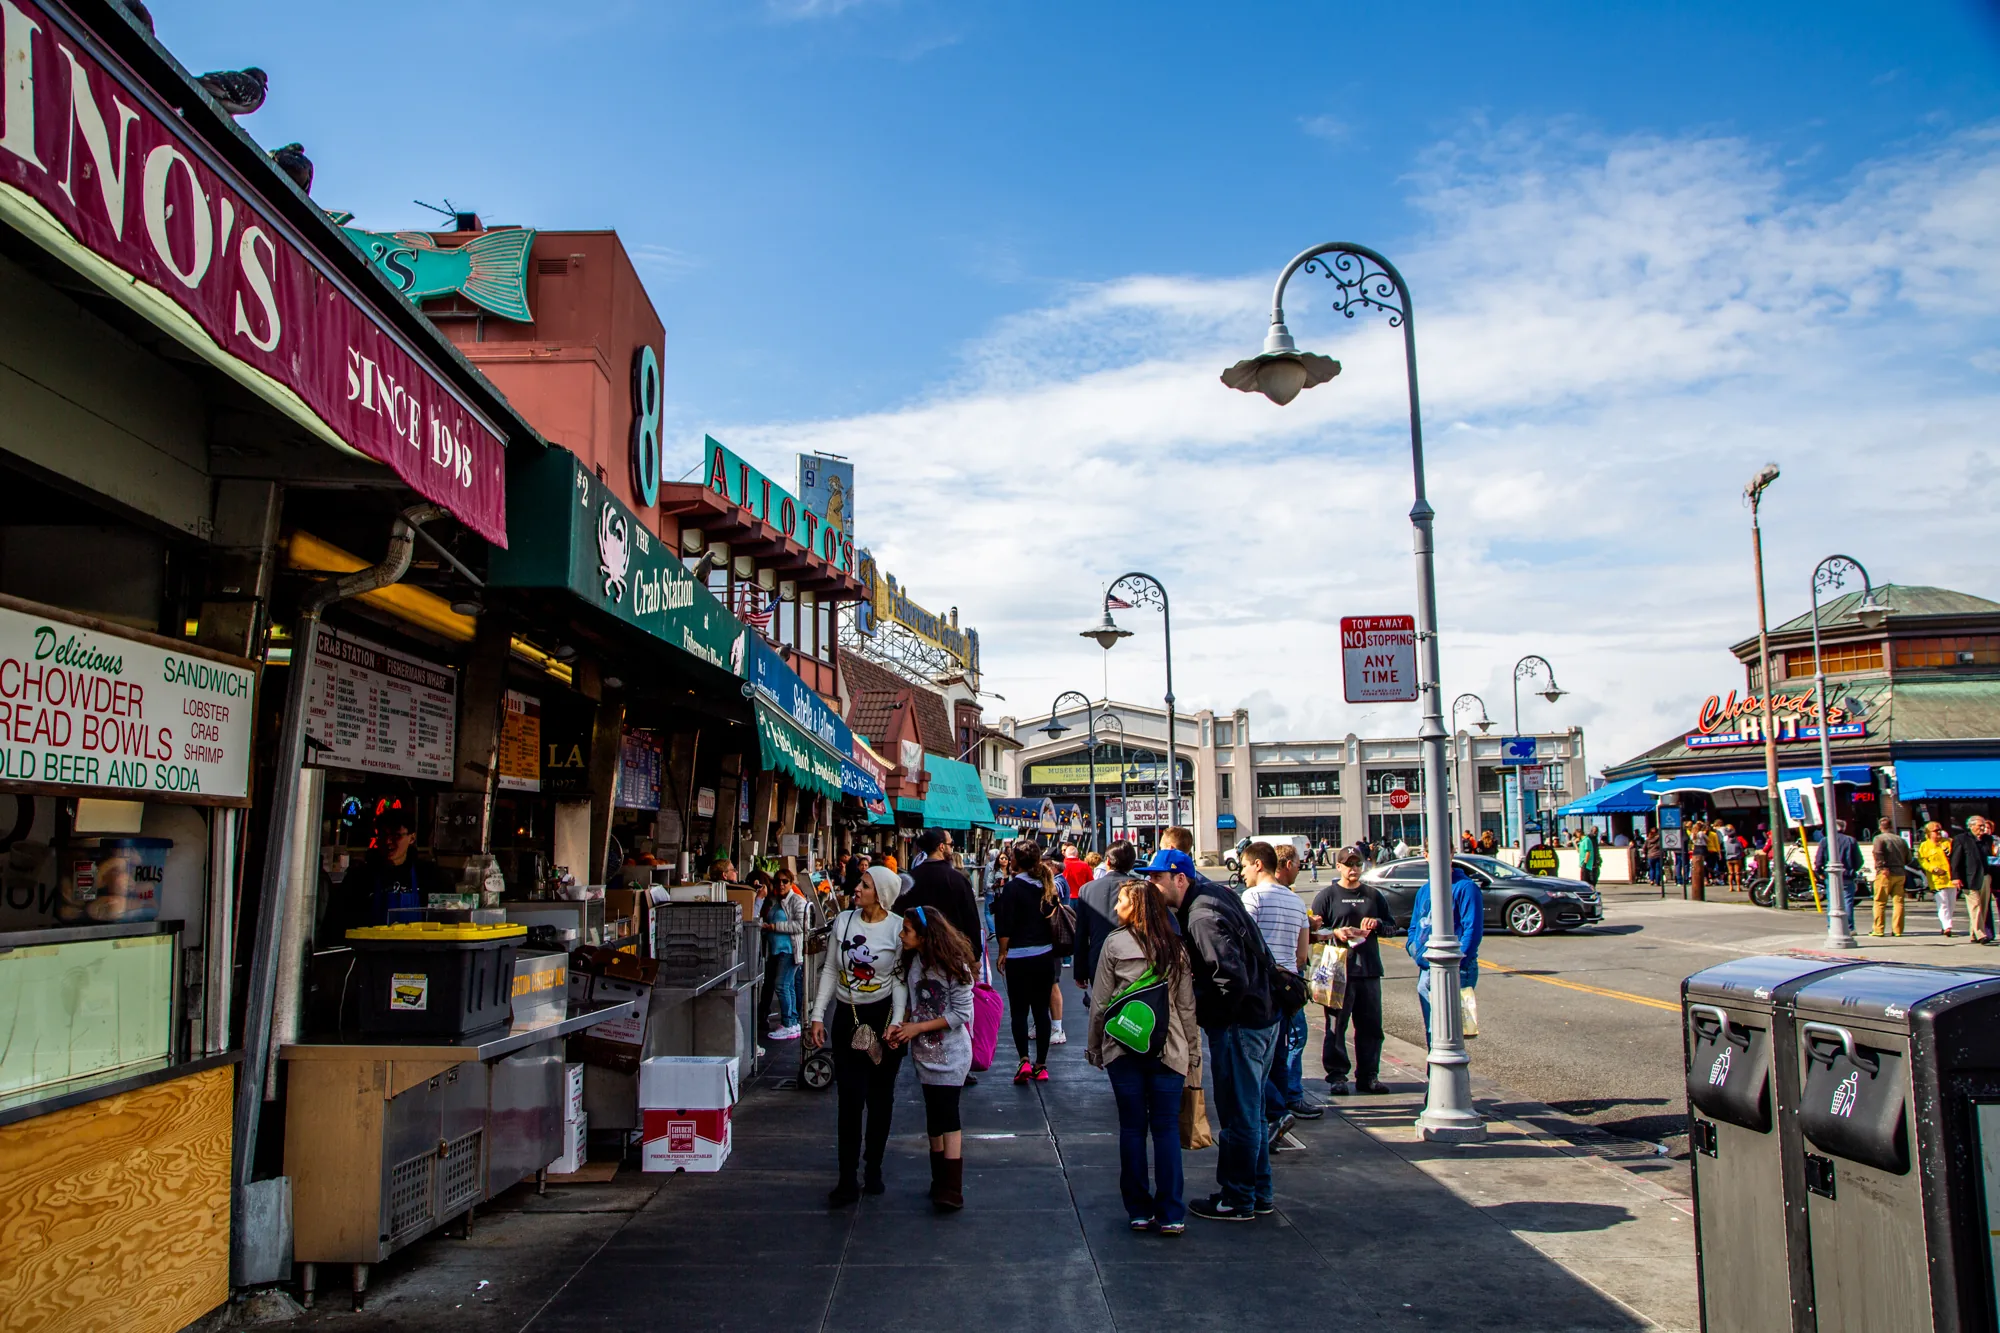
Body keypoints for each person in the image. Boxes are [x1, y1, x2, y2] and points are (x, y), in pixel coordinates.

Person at [1141, 847, 1277, 1223]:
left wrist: (1198, 1009)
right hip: (1261, 1016)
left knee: (1239, 1114)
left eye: (1157, 877)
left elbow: (1230, 978)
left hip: (1241, 1024)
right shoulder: (1214, 896)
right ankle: (1257, 1191)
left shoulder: (1200, 915)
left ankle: (1238, 1197)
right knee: (1253, 1111)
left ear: (1179, 879)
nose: (1151, 884)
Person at [1088, 877, 1201, 1235]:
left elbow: (1101, 1003)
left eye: (1121, 901)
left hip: (1123, 1047)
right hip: (1169, 1048)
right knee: (1166, 1128)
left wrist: (1095, 1046)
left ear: (1134, 907)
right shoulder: (1175, 946)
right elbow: (1186, 1006)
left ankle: (1138, 1209)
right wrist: (1194, 1051)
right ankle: (1171, 1213)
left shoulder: (1114, 944)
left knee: (1132, 1127)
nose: (1116, 907)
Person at [809, 865, 907, 1205]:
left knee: (881, 1098)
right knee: (849, 1100)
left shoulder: (897, 929)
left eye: (864, 885)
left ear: (880, 893)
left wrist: (895, 1022)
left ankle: (874, 1168)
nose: (856, 889)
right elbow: (831, 970)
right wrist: (817, 1015)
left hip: (882, 1018)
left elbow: (899, 979)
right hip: (847, 1015)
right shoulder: (844, 921)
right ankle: (846, 1177)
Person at [886, 905, 976, 1211]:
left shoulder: (953, 966)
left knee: (947, 1113)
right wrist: (901, 1025)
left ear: (925, 935)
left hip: (952, 1054)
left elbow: (962, 1013)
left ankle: (952, 1186)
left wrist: (917, 1027)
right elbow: (912, 1002)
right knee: (933, 1115)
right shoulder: (913, 962)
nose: (902, 935)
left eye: (907, 930)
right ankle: (939, 1179)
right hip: (924, 1053)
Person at [1241, 843, 1318, 1140]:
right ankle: (1280, 1109)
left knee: (1255, 1057)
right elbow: (1302, 955)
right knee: (1281, 1051)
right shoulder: (1296, 901)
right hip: (1288, 987)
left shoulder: (1253, 897)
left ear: (1259, 865)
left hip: (1261, 987)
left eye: (1246, 866)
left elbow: (1246, 943)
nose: (1243, 873)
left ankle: (1271, 1112)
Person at [1310, 849, 1392, 1095]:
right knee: (1336, 1026)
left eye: (1357, 864)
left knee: (1371, 1027)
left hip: (1368, 970)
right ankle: (1337, 1076)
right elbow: (1314, 931)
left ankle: (1368, 1076)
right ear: (1338, 867)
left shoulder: (1373, 896)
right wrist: (1335, 933)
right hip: (1337, 970)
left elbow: (1392, 926)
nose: (1353, 869)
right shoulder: (1327, 896)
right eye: (1348, 865)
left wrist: (1377, 924)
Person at [992, 839, 1061, 1081]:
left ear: (1017, 861)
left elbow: (1004, 926)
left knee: (1019, 1012)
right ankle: (1042, 1065)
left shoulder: (1011, 889)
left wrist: (1002, 953)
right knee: (1042, 1011)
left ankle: (1023, 1061)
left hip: (1019, 957)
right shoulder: (1047, 887)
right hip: (1044, 955)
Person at [329, 813, 453, 934]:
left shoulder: (430, 876)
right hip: (371, 951)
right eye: (383, 835)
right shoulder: (359, 877)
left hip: (417, 951)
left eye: (396, 835)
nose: (388, 841)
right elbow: (338, 924)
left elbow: (446, 922)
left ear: (412, 838)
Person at [1406, 862, 1484, 1038]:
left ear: (1451, 853)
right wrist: (1414, 949)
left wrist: (1456, 961)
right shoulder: (1425, 890)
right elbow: (1414, 927)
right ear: (1426, 855)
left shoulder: (1466, 887)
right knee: (1433, 1032)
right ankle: (1433, 1066)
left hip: (1457, 968)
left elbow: (1472, 930)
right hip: (1427, 968)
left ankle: (1450, 1066)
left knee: (1453, 1034)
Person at [1074, 840, 1139, 1007]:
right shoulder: (1139, 887)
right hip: (1134, 957)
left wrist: (1080, 971)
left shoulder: (1087, 889)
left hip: (1098, 958)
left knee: (1103, 1008)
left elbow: (1081, 933)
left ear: (1108, 862)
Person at [899, 829, 983, 955]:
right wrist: (975, 954)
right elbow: (971, 919)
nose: (952, 849)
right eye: (951, 844)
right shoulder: (957, 879)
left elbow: (900, 913)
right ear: (942, 847)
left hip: (917, 952)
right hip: (952, 952)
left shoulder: (910, 878)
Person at [759, 870, 806, 1040]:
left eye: (785, 881)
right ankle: (792, 1022)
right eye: (778, 881)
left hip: (789, 950)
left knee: (781, 985)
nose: (781, 884)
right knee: (788, 986)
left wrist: (774, 927)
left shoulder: (797, 901)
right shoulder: (778, 901)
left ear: (791, 882)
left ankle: (788, 1023)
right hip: (778, 951)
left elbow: (801, 925)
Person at [1813, 820, 1864, 932]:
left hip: (1830, 876)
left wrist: (1820, 872)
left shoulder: (1825, 841)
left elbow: (1819, 860)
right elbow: (1859, 860)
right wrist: (1852, 870)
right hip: (1847, 875)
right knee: (1847, 901)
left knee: (1832, 901)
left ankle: (1832, 926)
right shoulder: (1851, 840)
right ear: (1843, 828)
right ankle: (1849, 927)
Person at [1954, 818, 1994, 945]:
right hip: (1969, 878)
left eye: (1984, 826)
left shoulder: (1987, 839)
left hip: (1985, 876)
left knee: (1983, 907)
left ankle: (1973, 934)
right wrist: (1955, 877)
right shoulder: (1961, 839)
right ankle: (1981, 934)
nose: (1982, 829)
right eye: (1980, 826)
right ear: (1971, 826)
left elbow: (1991, 855)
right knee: (1975, 906)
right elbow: (1956, 859)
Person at [1869, 822, 1911, 938]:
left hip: (1885, 874)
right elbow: (1909, 857)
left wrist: (1882, 867)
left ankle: (1879, 929)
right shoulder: (1901, 840)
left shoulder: (1878, 838)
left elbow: (1877, 853)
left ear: (1880, 827)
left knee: (1880, 902)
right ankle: (1898, 930)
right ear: (1892, 827)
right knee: (1898, 903)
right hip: (1900, 873)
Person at [1919, 821, 1957, 935]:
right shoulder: (1924, 846)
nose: (1938, 833)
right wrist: (1933, 869)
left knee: (1951, 903)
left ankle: (1946, 923)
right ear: (1928, 833)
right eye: (1935, 831)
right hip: (1937, 880)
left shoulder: (1948, 842)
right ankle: (1947, 927)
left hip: (1951, 878)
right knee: (1943, 903)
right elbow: (1922, 861)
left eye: (1939, 830)